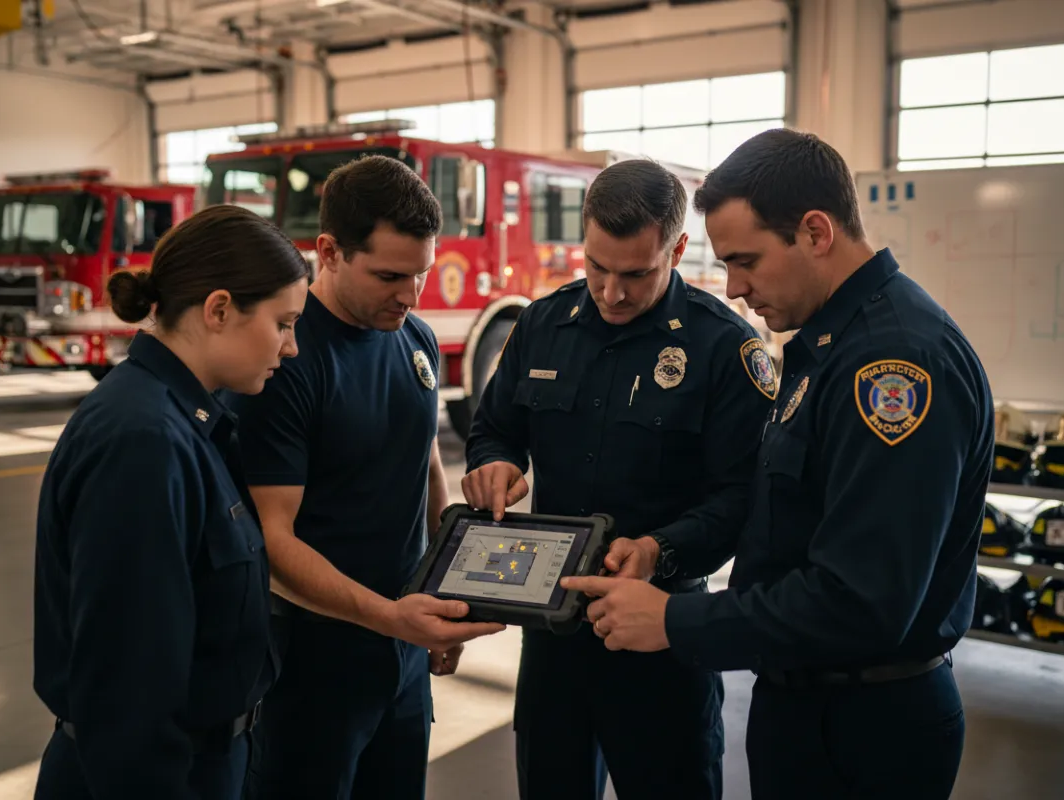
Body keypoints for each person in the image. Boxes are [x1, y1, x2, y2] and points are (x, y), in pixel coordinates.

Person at [563, 129, 994, 800]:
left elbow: (861, 601)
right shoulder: (828, 345)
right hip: (806, 702)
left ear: (816, 232)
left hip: (866, 728)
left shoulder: (893, 367)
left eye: (747, 261)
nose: (734, 288)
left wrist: (675, 621)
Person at [462, 159, 776, 800]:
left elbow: (741, 497)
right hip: (552, 631)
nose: (611, 292)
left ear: (679, 249)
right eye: (596, 268)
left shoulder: (723, 349)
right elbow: (494, 428)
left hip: (662, 634)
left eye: (635, 274)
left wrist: (662, 549)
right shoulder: (542, 326)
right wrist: (494, 463)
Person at [227, 155, 504, 799]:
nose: (409, 297)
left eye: (422, 275)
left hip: (401, 647)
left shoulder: (418, 340)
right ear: (328, 251)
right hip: (314, 660)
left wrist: (444, 594)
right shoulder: (287, 362)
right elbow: (272, 542)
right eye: (389, 276)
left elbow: (426, 463)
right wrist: (394, 619)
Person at [31, 204, 310, 799]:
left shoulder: (187, 416)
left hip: (203, 762)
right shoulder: (145, 442)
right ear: (219, 309)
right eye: (283, 323)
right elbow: (128, 686)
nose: (291, 348)